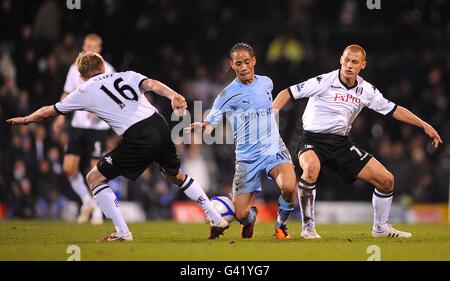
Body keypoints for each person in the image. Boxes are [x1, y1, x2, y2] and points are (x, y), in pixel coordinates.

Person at [7, 52, 229, 242]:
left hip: (138, 135)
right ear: (103, 67)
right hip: (159, 123)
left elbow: (50, 111)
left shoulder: (84, 91)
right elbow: (151, 84)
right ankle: (215, 217)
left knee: (94, 178)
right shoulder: (127, 75)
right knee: (175, 175)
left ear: (82, 77)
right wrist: (173, 95)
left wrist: (27, 119)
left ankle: (122, 232)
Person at [273, 44, 443, 239]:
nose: (349, 65)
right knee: (311, 167)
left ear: (363, 65)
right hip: (312, 139)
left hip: (341, 143)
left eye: (354, 62)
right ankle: (308, 228)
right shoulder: (323, 81)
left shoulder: (366, 90)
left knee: (386, 180)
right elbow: (286, 93)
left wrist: (423, 124)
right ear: (340, 60)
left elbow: (394, 109)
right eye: (346, 60)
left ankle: (380, 228)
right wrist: (269, 119)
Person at [189, 43, 297, 240]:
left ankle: (280, 226)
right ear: (232, 65)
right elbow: (213, 116)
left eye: (247, 62)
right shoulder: (227, 94)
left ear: (254, 60)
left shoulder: (267, 83)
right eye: (238, 63)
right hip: (247, 158)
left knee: (289, 187)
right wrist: (205, 125)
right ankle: (251, 218)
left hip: (273, 148)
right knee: (240, 214)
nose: (244, 67)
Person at [53, 34, 115, 225]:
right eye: (87, 46)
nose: (90, 49)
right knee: (68, 168)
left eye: (94, 47)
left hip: (98, 127)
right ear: (83, 46)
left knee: (95, 170)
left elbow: (114, 97)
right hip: (78, 125)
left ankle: (97, 210)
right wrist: (58, 114)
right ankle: (87, 201)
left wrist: (98, 111)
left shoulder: (108, 70)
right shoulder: (75, 68)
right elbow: (67, 92)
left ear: (99, 49)